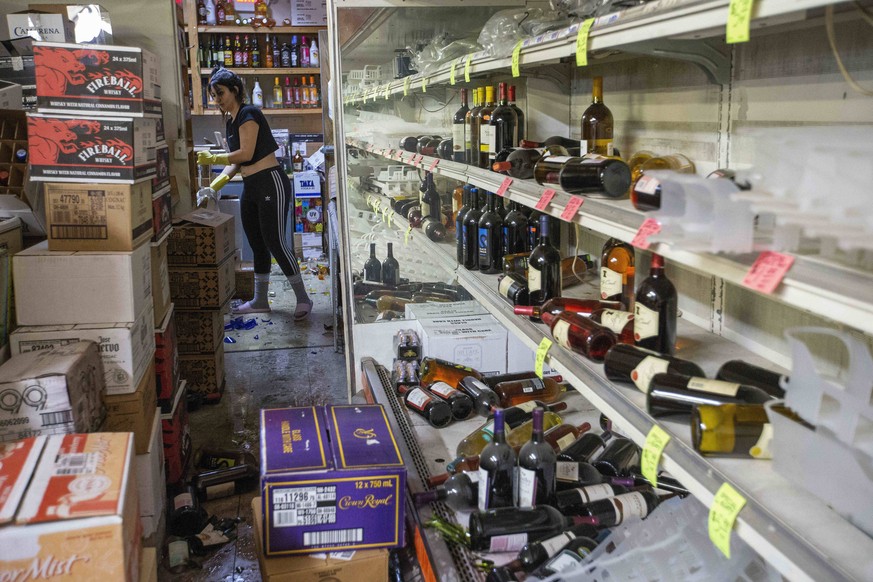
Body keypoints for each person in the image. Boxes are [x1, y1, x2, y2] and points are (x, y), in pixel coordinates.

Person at [196, 66, 312, 320]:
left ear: (235, 91)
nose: (217, 100)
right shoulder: (231, 121)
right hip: (251, 186)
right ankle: (260, 300)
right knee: (257, 243)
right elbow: (236, 163)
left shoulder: (249, 113)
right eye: (214, 96)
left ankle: (303, 298)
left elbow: (246, 153)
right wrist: (214, 186)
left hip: (271, 182)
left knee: (276, 242)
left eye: (221, 93)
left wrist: (213, 156)